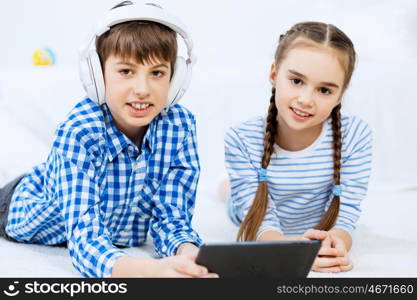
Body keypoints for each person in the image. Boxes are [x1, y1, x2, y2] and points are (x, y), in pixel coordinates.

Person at [0, 1, 217, 278]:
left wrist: (189, 255)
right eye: (126, 71)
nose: (142, 89)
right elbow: (86, 242)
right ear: (96, 76)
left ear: (176, 79)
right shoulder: (79, 130)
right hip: (16, 205)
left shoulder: (180, 127)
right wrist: (152, 272)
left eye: (157, 73)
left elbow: (172, 220)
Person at [224, 22, 372, 273]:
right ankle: (224, 187)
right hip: (250, 207)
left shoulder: (356, 135)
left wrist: (337, 243)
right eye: (296, 80)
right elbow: (257, 223)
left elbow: (347, 213)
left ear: (340, 95)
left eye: (324, 90)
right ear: (274, 74)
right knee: (230, 195)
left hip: (313, 215)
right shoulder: (241, 138)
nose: (305, 100)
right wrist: (289, 250)